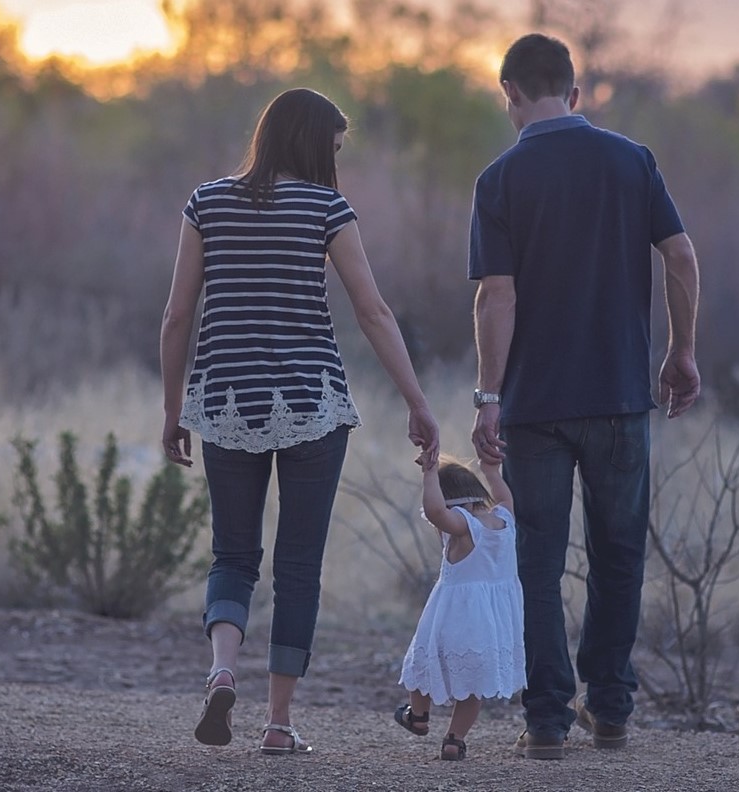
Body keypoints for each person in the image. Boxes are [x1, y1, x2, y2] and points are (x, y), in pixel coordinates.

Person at [159, 87, 439, 755]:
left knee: (232, 555)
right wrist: (417, 401)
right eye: (333, 148)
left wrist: (174, 411)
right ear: (313, 144)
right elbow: (373, 312)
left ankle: (222, 669)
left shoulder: (206, 203)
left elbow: (176, 316)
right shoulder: (326, 208)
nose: (335, 161)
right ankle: (278, 723)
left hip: (226, 402)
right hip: (313, 404)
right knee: (298, 566)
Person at [468, 34, 702, 759]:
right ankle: (610, 709)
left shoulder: (499, 179)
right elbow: (680, 256)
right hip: (620, 397)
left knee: (537, 562)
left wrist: (487, 396)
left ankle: (546, 721)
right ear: (574, 93)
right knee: (618, 554)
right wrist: (681, 350)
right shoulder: (632, 161)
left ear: (509, 92)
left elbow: (496, 297)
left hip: (535, 405)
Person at [393, 453, 526, 761]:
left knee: (422, 664)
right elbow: (505, 498)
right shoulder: (504, 520)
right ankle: (454, 740)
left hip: (454, 618)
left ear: (453, 503)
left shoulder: (464, 526)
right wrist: (492, 471)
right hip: (491, 625)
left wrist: (429, 474)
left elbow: (436, 511)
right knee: (472, 686)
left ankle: (419, 716)